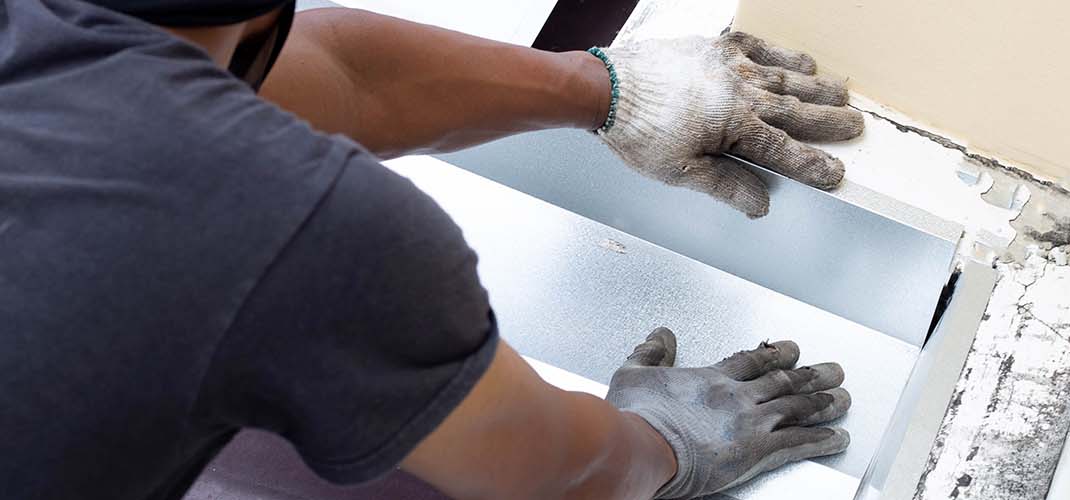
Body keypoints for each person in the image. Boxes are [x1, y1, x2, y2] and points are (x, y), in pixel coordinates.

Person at [0, 0, 867, 499]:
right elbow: (557, 476)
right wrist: (673, 438)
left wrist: (613, 88)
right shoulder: (288, 223)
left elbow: (329, 77)